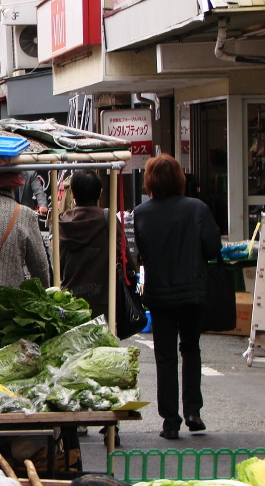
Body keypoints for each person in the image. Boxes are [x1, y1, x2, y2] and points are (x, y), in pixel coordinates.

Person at [134, 154, 221, 440]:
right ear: (179, 179)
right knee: (191, 349)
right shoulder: (197, 208)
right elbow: (212, 249)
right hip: (192, 291)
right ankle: (194, 411)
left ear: (150, 182)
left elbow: (141, 254)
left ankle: (170, 420)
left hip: (159, 293)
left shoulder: (142, 213)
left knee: (165, 357)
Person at [59, 170, 137, 321]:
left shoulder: (62, 223)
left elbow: (59, 263)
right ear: (100, 192)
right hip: (104, 301)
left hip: (69, 300)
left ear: (73, 194)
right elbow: (125, 257)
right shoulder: (108, 219)